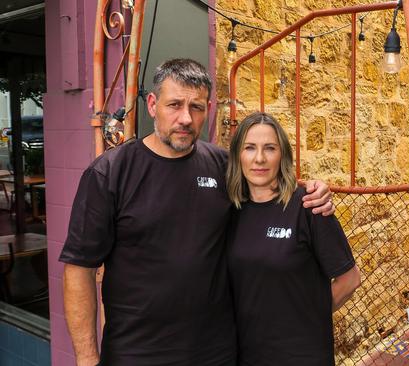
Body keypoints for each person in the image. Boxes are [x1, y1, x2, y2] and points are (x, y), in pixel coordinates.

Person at [59, 59, 333, 366]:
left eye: (197, 107)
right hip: (137, 352)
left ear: (208, 109)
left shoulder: (222, 165)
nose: (186, 118)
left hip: (215, 351)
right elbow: (78, 269)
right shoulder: (110, 173)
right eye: (174, 104)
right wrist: (86, 359)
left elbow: (267, 186)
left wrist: (310, 189)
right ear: (152, 104)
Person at [226, 112, 361, 366]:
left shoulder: (308, 206)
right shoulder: (230, 211)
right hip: (248, 353)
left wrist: (307, 316)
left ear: (282, 156)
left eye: (270, 148)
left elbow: (350, 278)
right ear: (237, 156)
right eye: (249, 148)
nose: (259, 158)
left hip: (301, 354)